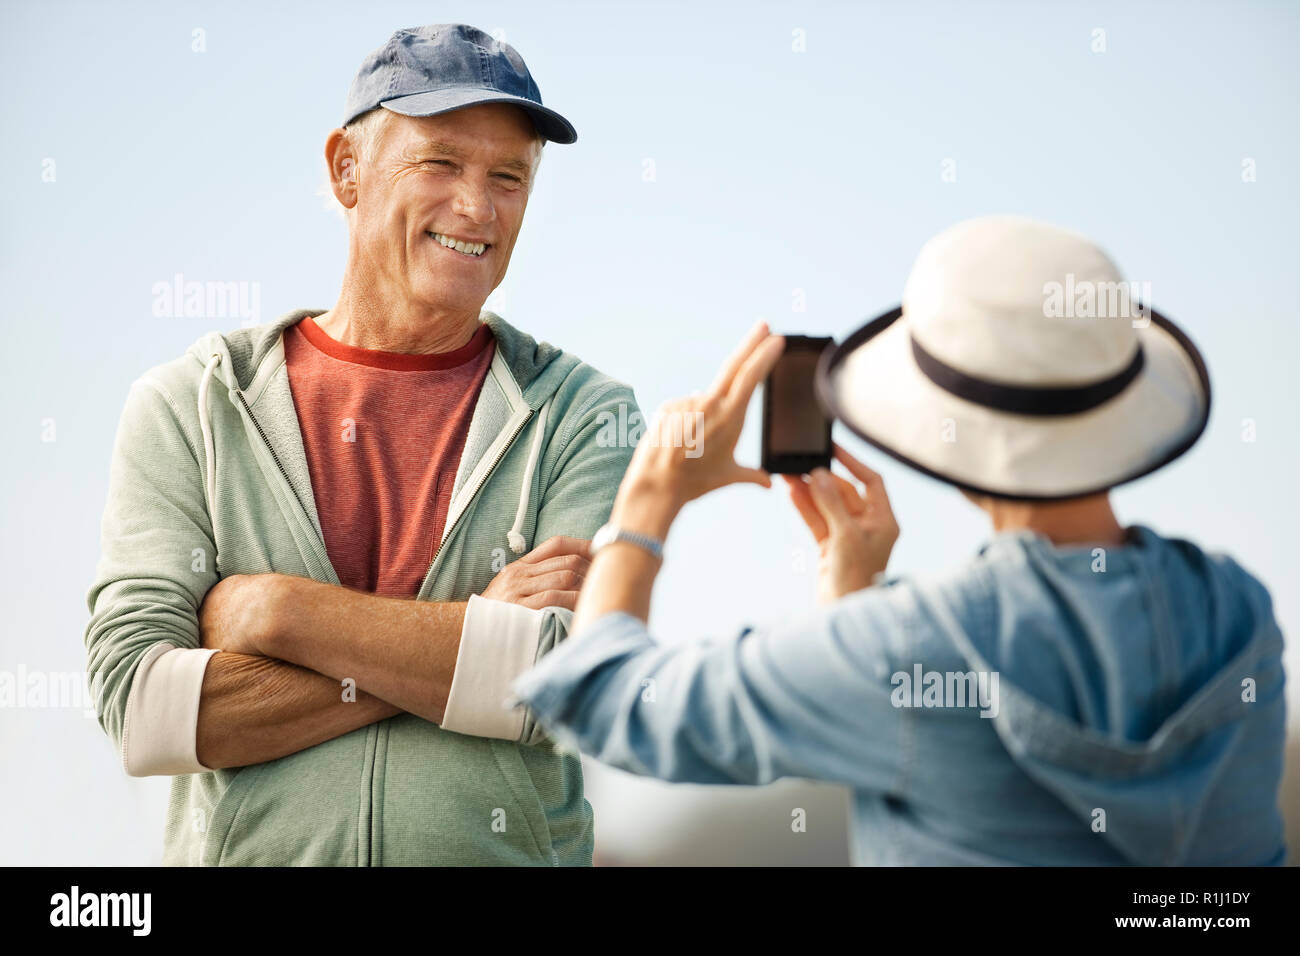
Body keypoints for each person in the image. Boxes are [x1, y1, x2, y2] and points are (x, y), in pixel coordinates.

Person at [510, 215, 1288, 865]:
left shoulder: (910, 649)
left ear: (951, 442)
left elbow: (606, 699)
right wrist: (852, 600)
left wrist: (647, 501)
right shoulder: (1242, 616)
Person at [84, 24, 640, 866]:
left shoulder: (583, 412)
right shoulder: (189, 406)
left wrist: (275, 612)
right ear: (347, 169)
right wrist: (473, 642)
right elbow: (145, 710)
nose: (477, 208)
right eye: (441, 163)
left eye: (508, 177)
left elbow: (561, 689)